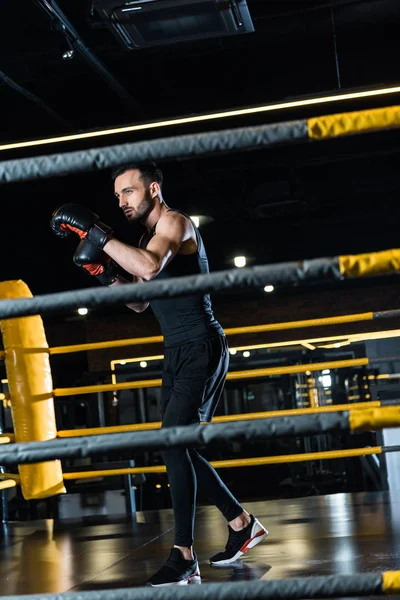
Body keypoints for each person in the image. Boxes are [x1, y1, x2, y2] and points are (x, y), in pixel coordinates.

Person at [50, 161, 268, 587]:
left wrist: (100, 236)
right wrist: (103, 272)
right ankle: (241, 522)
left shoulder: (174, 222)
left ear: (152, 188)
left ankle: (184, 555)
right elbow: (139, 301)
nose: (121, 202)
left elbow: (149, 267)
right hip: (177, 350)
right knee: (177, 445)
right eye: (117, 196)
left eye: (128, 192)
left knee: (173, 442)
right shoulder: (145, 239)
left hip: (201, 345)